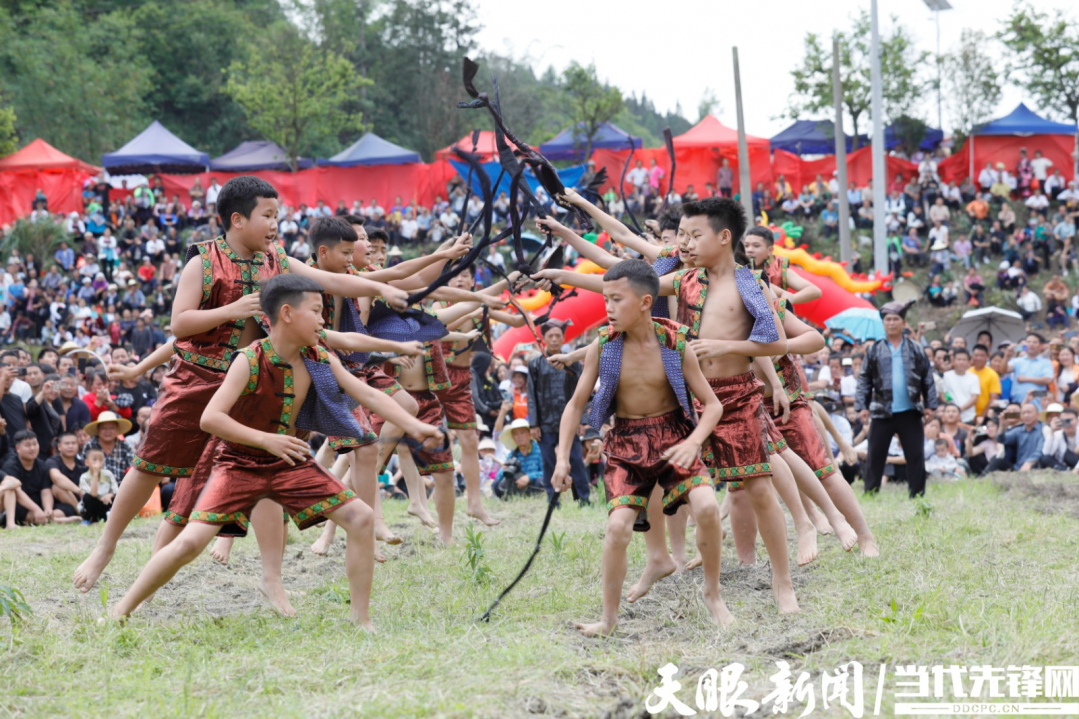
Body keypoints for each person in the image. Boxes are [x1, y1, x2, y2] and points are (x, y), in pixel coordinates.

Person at [73, 176, 411, 595]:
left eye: (277, 215)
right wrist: (232, 308)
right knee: (150, 466)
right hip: (196, 378)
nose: (275, 224)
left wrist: (378, 285)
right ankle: (105, 548)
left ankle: (261, 577)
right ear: (237, 219)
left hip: (255, 386)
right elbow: (179, 324)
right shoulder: (202, 261)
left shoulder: (278, 260)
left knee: (263, 476)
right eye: (267, 215)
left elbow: (334, 282)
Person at [104, 274, 444, 626]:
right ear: (287, 314)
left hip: (289, 463)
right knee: (190, 544)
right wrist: (267, 439)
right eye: (316, 311)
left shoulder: (318, 356)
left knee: (361, 518)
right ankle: (120, 611)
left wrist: (417, 426)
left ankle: (362, 621)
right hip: (237, 465)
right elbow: (211, 418)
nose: (324, 319)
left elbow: (367, 394)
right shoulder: (249, 359)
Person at [551, 259, 729, 635]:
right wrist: (561, 457)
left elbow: (713, 405)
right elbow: (576, 404)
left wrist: (694, 441)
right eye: (605, 301)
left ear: (646, 302)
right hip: (626, 443)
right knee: (617, 529)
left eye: (617, 300)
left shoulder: (676, 343)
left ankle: (712, 595)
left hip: (675, 436)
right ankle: (609, 619)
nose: (608, 309)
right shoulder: (602, 347)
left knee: (708, 508)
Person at [855, 302, 938, 497]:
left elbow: (928, 378)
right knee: (875, 455)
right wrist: (862, 406)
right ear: (883, 323)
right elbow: (864, 379)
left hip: (910, 410)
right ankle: (871, 493)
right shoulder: (875, 349)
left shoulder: (916, 348)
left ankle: (917, 496)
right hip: (882, 410)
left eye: (895, 320)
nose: (892, 323)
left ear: (904, 323)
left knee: (915, 455)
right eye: (888, 320)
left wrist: (930, 406)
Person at [528, 320, 590, 504]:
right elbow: (531, 395)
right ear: (544, 339)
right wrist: (534, 424)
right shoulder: (535, 364)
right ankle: (552, 499)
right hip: (545, 422)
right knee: (548, 461)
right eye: (551, 336)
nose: (554, 339)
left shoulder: (572, 363)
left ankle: (582, 498)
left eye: (558, 336)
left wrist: (582, 419)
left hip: (569, 420)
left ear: (563, 338)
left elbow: (581, 393)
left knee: (576, 460)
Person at [2, 430, 78, 527]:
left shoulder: (42, 465)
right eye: (28, 445)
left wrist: (48, 509)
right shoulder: (10, 466)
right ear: (18, 448)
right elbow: (18, 493)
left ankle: (47, 518)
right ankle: (54, 520)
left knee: (68, 507)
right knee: (16, 510)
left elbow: (46, 491)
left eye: (35, 444)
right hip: (22, 504)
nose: (32, 448)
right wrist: (36, 509)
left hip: (39, 503)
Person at [985, 403, 1048, 473]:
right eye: (1023, 413)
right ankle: (980, 481)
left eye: (1029, 412)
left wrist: (1029, 462)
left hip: (1036, 467)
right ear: (1021, 416)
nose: (1026, 415)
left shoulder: (1044, 429)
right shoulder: (1018, 430)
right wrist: (1002, 426)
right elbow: (1002, 439)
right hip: (1018, 468)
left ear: (1038, 414)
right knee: (996, 461)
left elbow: (1041, 451)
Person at [493, 419, 545, 498]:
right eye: (515, 434)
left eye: (522, 432)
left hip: (533, 485)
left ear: (529, 434)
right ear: (513, 437)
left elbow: (546, 472)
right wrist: (503, 469)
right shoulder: (513, 454)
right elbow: (499, 477)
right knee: (495, 484)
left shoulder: (539, 451)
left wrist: (528, 477)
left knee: (541, 481)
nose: (519, 436)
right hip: (517, 486)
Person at [1004, 334, 1054, 409]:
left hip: (1037, 403)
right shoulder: (1017, 361)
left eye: (1034, 342)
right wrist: (1006, 356)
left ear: (1040, 346)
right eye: (1028, 342)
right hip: (1017, 402)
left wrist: (1026, 379)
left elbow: (1048, 379)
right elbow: (1004, 370)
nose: (1031, 344)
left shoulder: (1046, 362)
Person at [941, 349, 981, 423]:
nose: (961, 362)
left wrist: (959, 410)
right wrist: (952, 409)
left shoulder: (974, 377)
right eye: (959, 359)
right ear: (953, 361)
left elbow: (974, 398)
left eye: (964, 360)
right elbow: (945, 394)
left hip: (969, 417)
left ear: (969, 362)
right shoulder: (947, 375)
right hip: (951, 417)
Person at [78, 447, 117, 523]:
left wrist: (110, 495)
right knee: (88, 498)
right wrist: (95, 474)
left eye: (100, 460)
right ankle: (88, 519)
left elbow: (115, 490)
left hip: (105, 502)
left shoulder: (108, 474)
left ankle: (106, 517)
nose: (98, 462)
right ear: (86, 462)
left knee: (115, 498)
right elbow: (93, 494)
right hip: (92, 504)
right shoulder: (84, 477)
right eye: (94, 460)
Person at [970, 344, 1001, 418]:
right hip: (967, 414)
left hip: (985, 415)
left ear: (987, 357)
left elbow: (993, 398)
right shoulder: (967, 372)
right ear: (972, 356)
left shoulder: (992, 374)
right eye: (976, 355)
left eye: (982, 355)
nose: (979, 358)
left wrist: (982, 416)